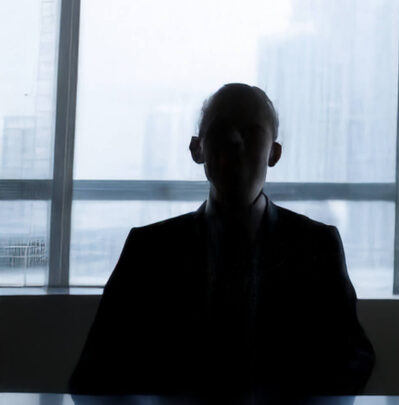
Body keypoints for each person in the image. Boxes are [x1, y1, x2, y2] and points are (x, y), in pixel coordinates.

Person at [69, 83, 375, 396]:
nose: (234, 141)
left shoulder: (317, 247)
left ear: (274, 153)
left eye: (250, 132)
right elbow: (95, 372)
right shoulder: (147, 251)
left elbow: (352, 359)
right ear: (197, 149)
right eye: (222, 130)